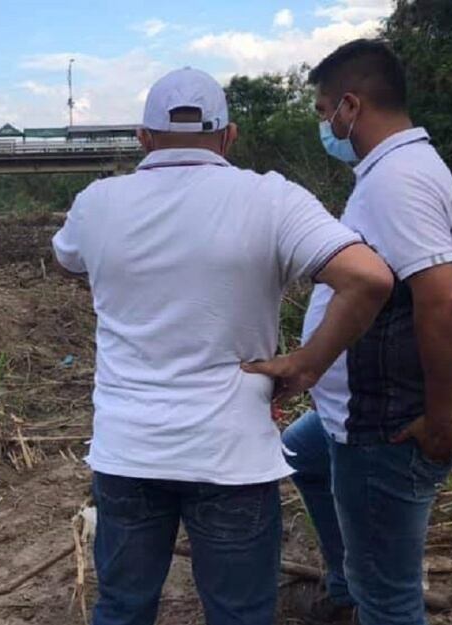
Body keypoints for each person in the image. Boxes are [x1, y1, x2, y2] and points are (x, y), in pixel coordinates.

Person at [51, 67, 394, 625]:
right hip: (230, 456)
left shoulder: (97, 203)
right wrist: (308, 364)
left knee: (122, 607)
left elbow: (70, 260)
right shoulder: (272, 199)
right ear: (229, 137)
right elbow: (369, 279)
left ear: (142, 138)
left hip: (128, 451)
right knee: (239, 614)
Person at [262, 39, 452, 625]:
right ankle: (345, 590)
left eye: (322, 110)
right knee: (300, 452)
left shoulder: (397, 182)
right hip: (356, 413)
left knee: (391, 600)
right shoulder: (395, 170)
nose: (323, 124)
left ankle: (364, 597)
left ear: (350, 106)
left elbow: (447, 302)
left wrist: (440, 421)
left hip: (387, 427)